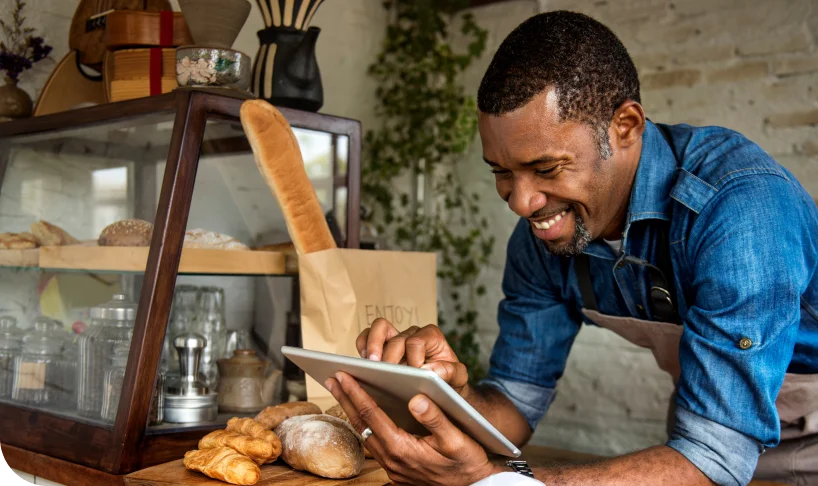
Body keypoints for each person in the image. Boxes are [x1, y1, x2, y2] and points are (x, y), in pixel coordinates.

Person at [324, 10, 818, 486]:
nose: (521, 202)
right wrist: (445, 395)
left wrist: (496, 480)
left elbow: (714, 455)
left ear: (625, 127)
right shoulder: (547, 235)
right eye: (501, 172)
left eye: (546, 169)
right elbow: (514, 406)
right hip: (710, 440)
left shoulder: (740, 208)